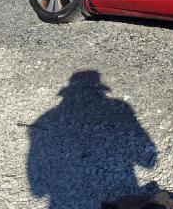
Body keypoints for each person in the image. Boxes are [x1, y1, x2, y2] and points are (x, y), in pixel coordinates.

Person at [27, 71, 156, 209]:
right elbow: (146, 159)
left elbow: (37, 188)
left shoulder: (47, 118)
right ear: (99, 90)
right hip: (117, 192)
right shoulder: (120, 108)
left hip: (66, 199)